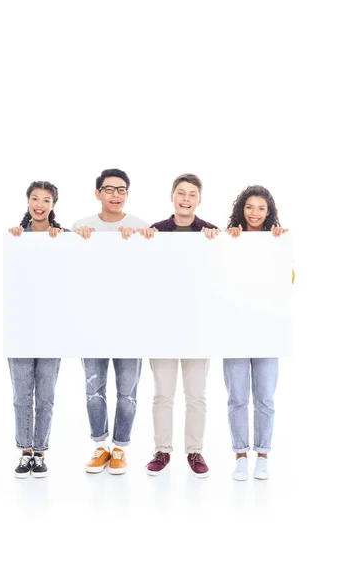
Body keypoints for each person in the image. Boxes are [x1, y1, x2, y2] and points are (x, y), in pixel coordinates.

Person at [140, 173, 219, 478]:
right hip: (162, 324)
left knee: (196, 394)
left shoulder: (210, 231)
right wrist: (141, 240)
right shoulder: (156, 231)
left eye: (192, 195)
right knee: (163, 394)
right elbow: (141, 273)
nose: (186, 199)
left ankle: (194, 450)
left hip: (198, 325)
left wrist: (224, 240)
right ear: (172, 196)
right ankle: (162, 450)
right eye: (181, 193)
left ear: (199, 199)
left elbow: (224, 273)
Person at [72, 169, 148, 475]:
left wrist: (139, 242)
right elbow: (68, 273)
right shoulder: (80, 227)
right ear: (97, 193)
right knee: (94, 388)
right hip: (91, 322)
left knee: (127, 391)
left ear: (127, 194)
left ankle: (120, 448)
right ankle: (100, 446)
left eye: (121, 190)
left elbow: (150, 274)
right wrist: (77, 243)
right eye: (109, 189)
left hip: (130, 322)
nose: (115, 195)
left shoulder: (141, 227)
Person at [224, 185, 289, 481]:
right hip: (234, 328)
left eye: (261, 208)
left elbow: (289, 281)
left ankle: (263, 454)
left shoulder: (278, 241)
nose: (255, 213)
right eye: (249, 207)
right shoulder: (228, 239)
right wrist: (226, 242)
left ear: (269, 211)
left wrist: (281, 248)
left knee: (264, 397)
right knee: (237, 396)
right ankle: (240, 455)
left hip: (266, 329)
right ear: (242, 208)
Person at [8, 180, 69, 478]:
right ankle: (24, 452)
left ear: (53, 205)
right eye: (35, 198)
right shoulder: (16, 237)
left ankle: (40, 452)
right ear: (28, 201)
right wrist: (15, 241)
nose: (40, 204)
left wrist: (68, 239)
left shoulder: (63, 237)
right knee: (22, 395)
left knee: (45, 395)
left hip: (52, 330)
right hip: (20, 328)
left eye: (46, 200)